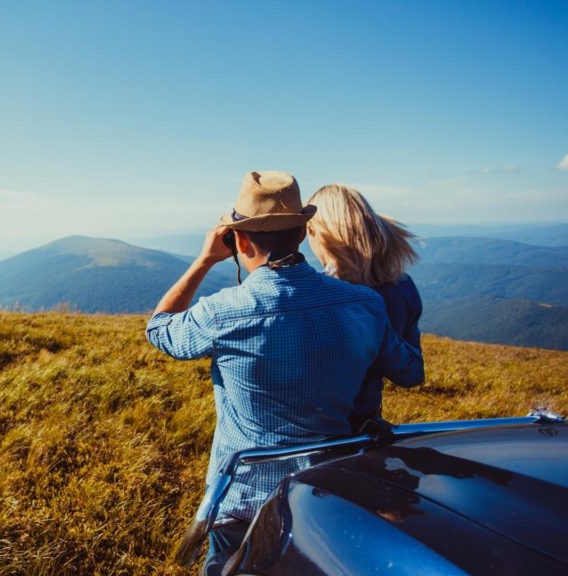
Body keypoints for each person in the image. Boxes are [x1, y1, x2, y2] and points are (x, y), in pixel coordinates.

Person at [145, 171, 424, 574]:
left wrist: (204, 260)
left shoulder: (223, 311)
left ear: (239, 240)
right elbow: (407, 369)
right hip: (326, 489)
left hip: (243, 497)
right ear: (301, 233)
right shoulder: (365, 304)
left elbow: (160, 328)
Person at [305, 184, 422, 433]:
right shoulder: (402, 288)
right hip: (365, 427)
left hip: (316, 433)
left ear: (315, 232)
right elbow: (411, 373)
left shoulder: (321, 294)